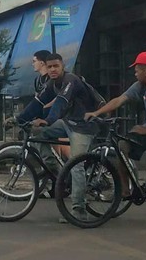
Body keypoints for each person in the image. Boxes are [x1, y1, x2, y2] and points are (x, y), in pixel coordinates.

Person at [17, 53, 99, 220]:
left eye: (56, 66)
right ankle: (59, 171)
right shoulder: (51, 84)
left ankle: (79, 210)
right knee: (37, 133)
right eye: (50, 67)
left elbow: (61, 102)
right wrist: (18, 119)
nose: (53, 69)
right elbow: (37, 103)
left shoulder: (71, 80)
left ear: (62, 66)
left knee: (76, 164)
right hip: (68, 123)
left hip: (84, 126)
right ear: (46, 68)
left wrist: (48, 121)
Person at [85, 51, 146, 193]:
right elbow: (119, 100)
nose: (135, 73)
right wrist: (97, 113)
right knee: (122, 146)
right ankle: (125, 190)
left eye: (137, 70)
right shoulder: (141, 86)